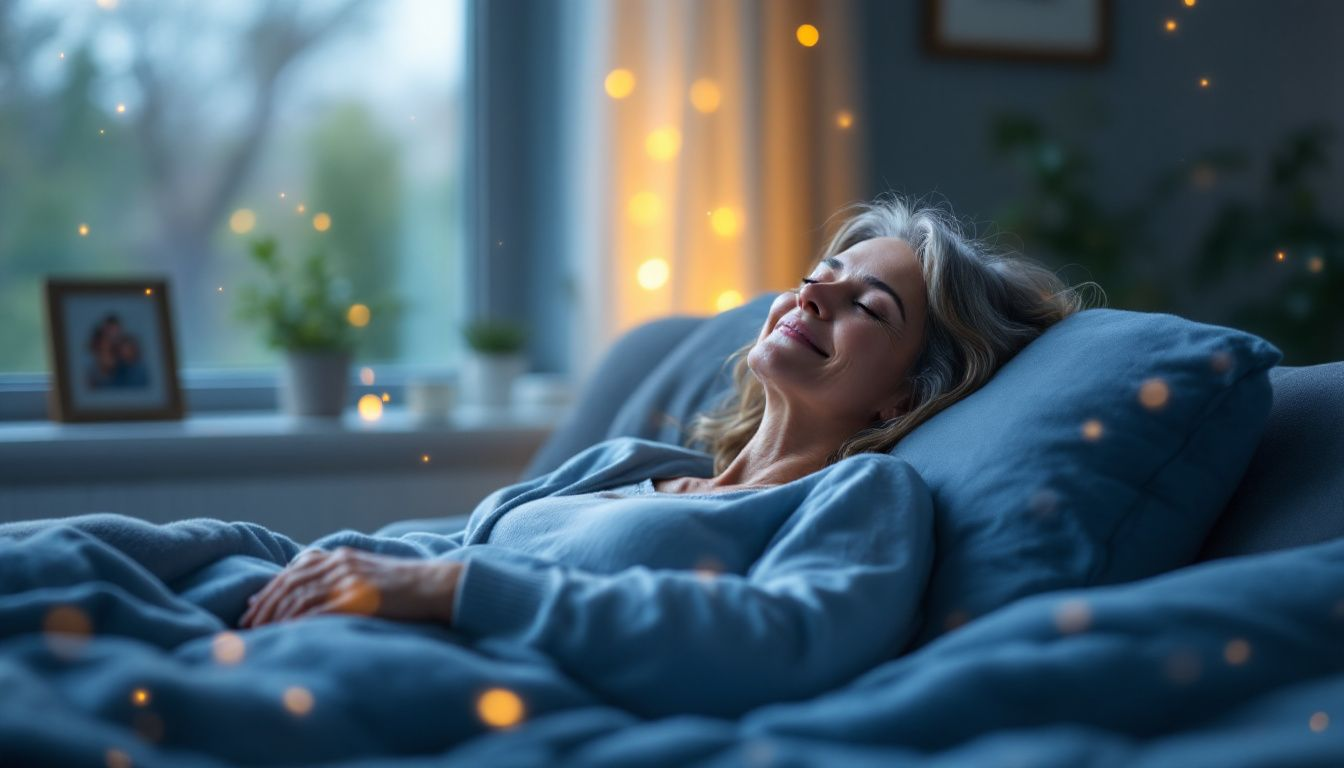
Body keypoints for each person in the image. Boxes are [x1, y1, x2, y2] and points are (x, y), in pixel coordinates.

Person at [236, 195, 1087, 716]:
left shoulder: (864, 495)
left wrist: (454, 589)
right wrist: (284, 558)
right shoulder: (629, 461)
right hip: (318, 636)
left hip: (440, 700)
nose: (812, 292)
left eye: (866, 303)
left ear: (905, 397)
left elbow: (785, 644)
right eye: (821, 271)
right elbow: (453, 543)